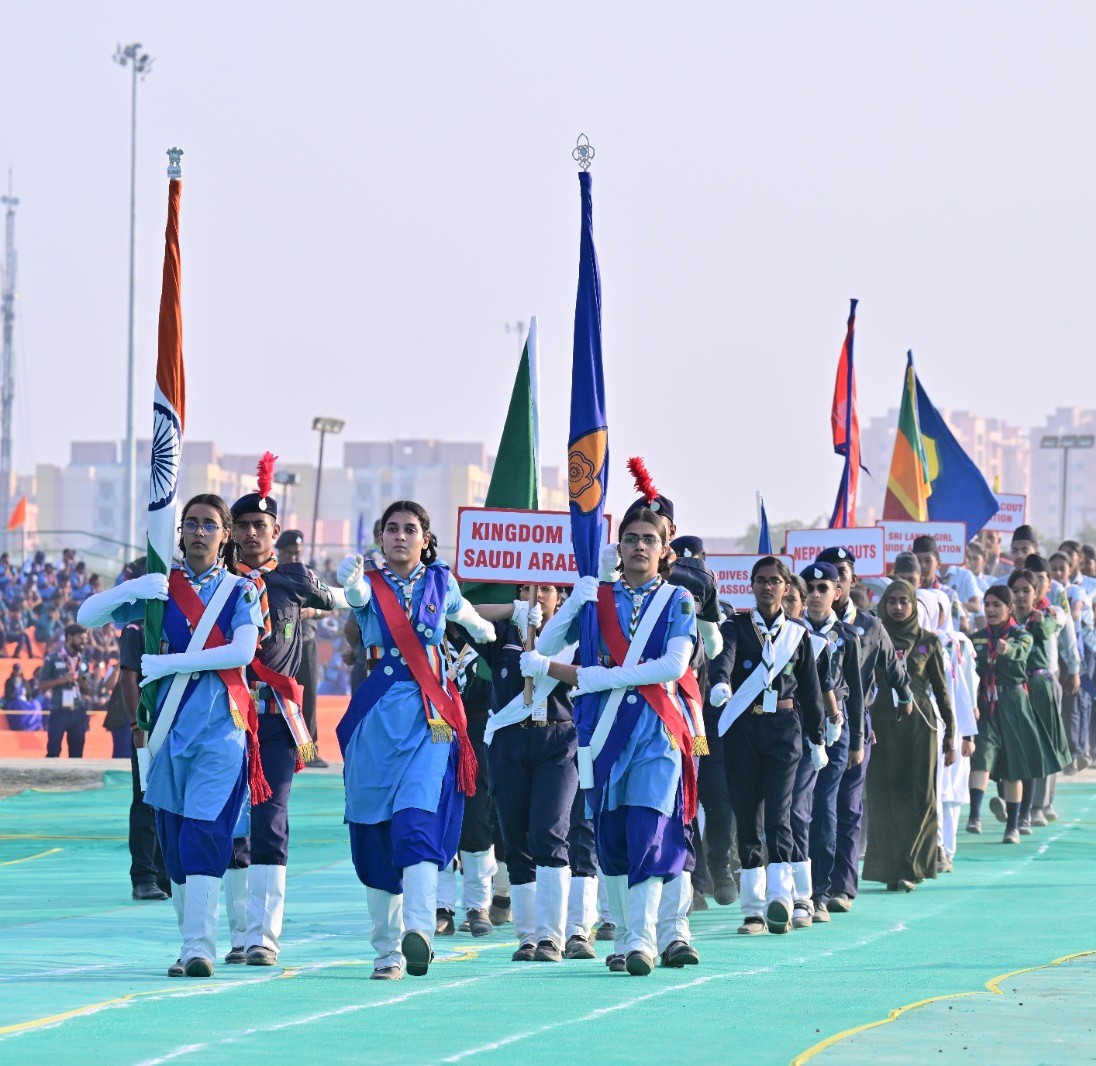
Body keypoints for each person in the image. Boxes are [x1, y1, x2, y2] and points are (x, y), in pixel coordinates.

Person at [77, 493, 264, 977]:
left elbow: (242, 652)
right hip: (165, 734)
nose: (198, 532)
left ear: (225, 536)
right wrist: (130, 589)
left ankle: (199, 948)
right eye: (191, 524)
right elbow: (86, 616)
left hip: (222, 730)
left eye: (209, 524)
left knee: (204, 834)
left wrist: (169, 663)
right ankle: (191, 942)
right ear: (178, 533)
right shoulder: (161, 591)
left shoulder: (240, 592)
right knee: (176, 848)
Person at [520, 507, 699, 975]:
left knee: (647, 830)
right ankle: (624, 935)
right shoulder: (599, 596)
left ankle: (646, 939)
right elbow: (547, 649)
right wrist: (581, 597)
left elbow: (673, 666)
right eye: (631, 538)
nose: (639, 546)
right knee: (613, 838)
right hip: (601, 732)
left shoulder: (678, 598)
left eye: (649, 539)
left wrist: (601, 677)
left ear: (665, 550)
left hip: (656, 730)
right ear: (617, 547)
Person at [336, 500, 496, 980]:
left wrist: (486, 626)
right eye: (392, 529)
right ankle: (386, 951)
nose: (400, 537)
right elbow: (356, 598)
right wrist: (348, 582)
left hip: (432, 720)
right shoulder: (370, 584)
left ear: (425, 538)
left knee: (418, 822)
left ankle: (421, 932)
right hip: (377, 721)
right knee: (376, 832)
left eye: (410, 529)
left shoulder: (441, 584)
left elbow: (474, 622)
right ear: (381, 538)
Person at [226, 461, 339, 967]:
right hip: (225, 717)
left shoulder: (292, 578)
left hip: (275, 722)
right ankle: (236, 934)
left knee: (269, 820)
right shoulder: (219, 584)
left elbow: (332, 600)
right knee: (228, 824)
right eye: (244, 526)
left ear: (275, 532)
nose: (252, 534)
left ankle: (264, 937)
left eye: (261, 526)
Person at [708, 556, 827, 936]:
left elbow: (810, 691)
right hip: (743, 728)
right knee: (746, 817)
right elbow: (722, 661)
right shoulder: (736, 627)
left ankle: (781, 899)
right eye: (760, 580)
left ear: (786, 587)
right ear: (751, 585)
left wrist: (817, 738)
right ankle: (754, 910)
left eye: (774, 581)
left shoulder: (798, 634)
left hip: (784, 731)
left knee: (779, 815)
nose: (767, 587)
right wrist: (721, 683)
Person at [481, 580, 594, 962]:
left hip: (558, 741)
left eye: (544, 588)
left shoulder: (578, 633)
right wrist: (510, 612)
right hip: (510, 743)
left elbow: (590, 675)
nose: (536, 595)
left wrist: (546, 664)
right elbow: (457, 616)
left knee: (549, 832)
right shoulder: (505, 634)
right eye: (527, 587)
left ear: (560, 597)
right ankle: (527, 937)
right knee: (514, 838)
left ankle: (552, 937)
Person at [813, 545, 912, 914]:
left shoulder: (869, 624)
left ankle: (842, 886)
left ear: (852, 579)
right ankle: (808, 885)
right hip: (809, 725)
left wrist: (905, 695)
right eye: (826, 572)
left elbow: (891, 665)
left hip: (855, 725)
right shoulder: (804, 624)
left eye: (841, 571)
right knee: (813, 806)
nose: (833, 579)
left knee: (847, 806)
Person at [862, 580, 956, 891]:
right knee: (883, 794)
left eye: (904, 601)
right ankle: (887, 867)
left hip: (920, 725)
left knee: (918, 796)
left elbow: (942, 690)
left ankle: (911, 867)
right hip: (882, 723)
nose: (898, 607)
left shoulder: (928, 641)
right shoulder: (873, 638)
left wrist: (951, 733)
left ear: (914, 604)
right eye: (892, 601)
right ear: (883, 604)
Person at [966, 585, 1059, 844]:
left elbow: (1022, 651)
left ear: (1008, 608)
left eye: (997, 605)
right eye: (988, 604)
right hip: (985, 704)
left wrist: (1008, 650)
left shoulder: (1020, 635)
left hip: (1014, 704)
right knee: (981, 755)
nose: (991, 610)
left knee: (1013, 768)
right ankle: (974, 816)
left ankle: (1013, 826)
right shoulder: (975, 638)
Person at [799, 563, 863, 925]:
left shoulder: (848, 636)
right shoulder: (792, 632)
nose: (815, 593)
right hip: (798, 730)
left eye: (823, 587)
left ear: (836, 593)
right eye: (809, 586)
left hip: (835, 733)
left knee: (824, 807)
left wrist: (855, 742)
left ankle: (820, 892)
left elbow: (853, 693)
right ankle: (795, 889)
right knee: (795, 809)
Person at [1005, 569, 1073, 831]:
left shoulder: (1044, 618)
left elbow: (1052, 627)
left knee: (1040, 747)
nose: (1020, 596)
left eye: (1026, 591)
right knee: (1011, 747)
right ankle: (1013, 803)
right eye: (1016, 590)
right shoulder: (1005, 621)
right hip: (1011, 689)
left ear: (1037, 594)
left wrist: (1043, 619)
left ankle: (1035, 807)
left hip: (1039, 686)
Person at [275, 528, 330, 768]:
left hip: (305, 642)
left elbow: (330, 603)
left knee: (308, 698)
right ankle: (282, 748)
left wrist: (312, 611)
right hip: (279, 647)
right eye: (290, 553)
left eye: (298, 553)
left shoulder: (307, 575)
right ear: (279, 551)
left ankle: (309, 750)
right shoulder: (272, 573)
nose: (295, 558)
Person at [38, 624, 93, 758]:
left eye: (85, 638)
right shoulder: (52, 659)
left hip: (78, 711)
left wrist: (79, 679)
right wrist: (61, 680)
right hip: (59, 711)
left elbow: (89, 691)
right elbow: (41, 686)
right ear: (69, 637)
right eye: (81, 638)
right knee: (53, 751)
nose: (84, 641)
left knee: (77, 754)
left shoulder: (83, 661)